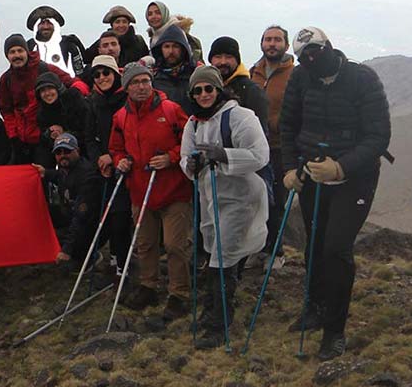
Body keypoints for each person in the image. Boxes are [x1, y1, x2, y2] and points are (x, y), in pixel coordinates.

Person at [280, 27, 391, 360]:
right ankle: (314, 306)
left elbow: (378, 137)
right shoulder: (300, 79)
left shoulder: (362, 79)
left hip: (355, 178)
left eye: (315, 51)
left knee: (336, 248)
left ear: (328, 46)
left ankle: (334, 330)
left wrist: (342, 167)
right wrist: (289, 168)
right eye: (304, 55)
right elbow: (288, 125)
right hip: (312, 172)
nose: (311, 59)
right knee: (313, 244)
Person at [181, 67, 270, 349]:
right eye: (198, 90)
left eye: (209, 89)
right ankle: (213, 312)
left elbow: (260, 155)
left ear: (219, 89)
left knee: (222, 256)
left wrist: (223, 155)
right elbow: (185, 158)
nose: (204, 94)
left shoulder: (240, 117)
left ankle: (218, 322)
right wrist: (191, 166)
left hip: (241, 197)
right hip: (211, 196)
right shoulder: (193, 124)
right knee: (215, 251)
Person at [108, 64, 192, 318]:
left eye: (145, 81)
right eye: (135, 83)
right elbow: (116, 147)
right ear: (126, 87)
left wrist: (171, 157)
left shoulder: (171, 110)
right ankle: (149, 286)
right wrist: (119, 161)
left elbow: (189, 142)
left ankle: (179, 294)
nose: (141, 87)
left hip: (173, 190)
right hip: (140, 190)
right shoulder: (120, 117)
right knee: (144, 244)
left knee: (174, 245)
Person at [82, 54, 133, 278]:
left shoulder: (128, 100)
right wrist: (99, 158)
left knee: (121, 216)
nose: (102, 78)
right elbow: (89, 136)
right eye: (97, 74)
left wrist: (113, 157)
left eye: (106, 73)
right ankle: (114, 258)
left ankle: (123, 266)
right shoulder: (94, 102)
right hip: (104, 167)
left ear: (116, 74)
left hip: (126, 165)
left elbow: (132, 134)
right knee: (109, 215)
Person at [249, 25, 296, 259]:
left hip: (281, 147)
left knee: (277, 201)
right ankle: (257, 248)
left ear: (286, 45)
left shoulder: (295, 74)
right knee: (257, 199)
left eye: (277, 40)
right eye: (268, 39)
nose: (272, 44)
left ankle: (276, 252)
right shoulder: (254, 72)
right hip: (256, 146)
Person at [0, 35, 75, 164]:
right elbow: (6, 110)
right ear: (7, 56)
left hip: (45, 137)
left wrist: (81, 90)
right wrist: (13, 136)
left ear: (27, 52)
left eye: (20, 51)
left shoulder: (44, 69)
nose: (17, 55)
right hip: (21, 141)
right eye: (12, 52)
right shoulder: (6, 79)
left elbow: (71, 82)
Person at [35, 134, 105, 264]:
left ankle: (89, 257)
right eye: (58, 152)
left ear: (77, 151)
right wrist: (45, 173)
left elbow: (82, 218)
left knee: (58, 238)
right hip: (71, 215)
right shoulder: (66, 169)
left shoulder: (87, 176)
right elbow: (58, 176)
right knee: (42, 214)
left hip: (91, 226)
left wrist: (66, 249)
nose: (62, 155)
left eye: (67, 151)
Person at [208, 36, 270, 134]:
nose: (223, 62)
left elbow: (260, 133)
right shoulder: (204, 89)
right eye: (218, 57)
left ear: (237, 60)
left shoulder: (251, 90)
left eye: (229, 57)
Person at [36, 72, 89, 166]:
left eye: (50, 88)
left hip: (85, 149)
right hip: (63, 156)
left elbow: (87, 127)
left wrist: (65, 134)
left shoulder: (73, 98)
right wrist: (49, 134)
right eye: (43, 91)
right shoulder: (42, 113)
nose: (47, 93)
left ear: (58, 88)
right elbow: (44, 140)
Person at [26, 6, 86, 77]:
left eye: (49, 23)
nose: (46, 26)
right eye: (42, 23)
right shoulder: (30, 47)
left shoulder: (68, 45)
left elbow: (80, 74)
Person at [150, 23, 198, 113]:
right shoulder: (153, 78)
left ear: (183, 49)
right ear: (161, 49)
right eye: (167, 46)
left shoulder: (195, 75)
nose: (171, 51)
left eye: (175, 46)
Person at [84, 5, 149, 66]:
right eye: (117, 22)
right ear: (112, 25)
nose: (121, 25)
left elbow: (148, 58)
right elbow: (86, 58)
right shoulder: (104, 42)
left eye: (124, 22)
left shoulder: (139, 41)